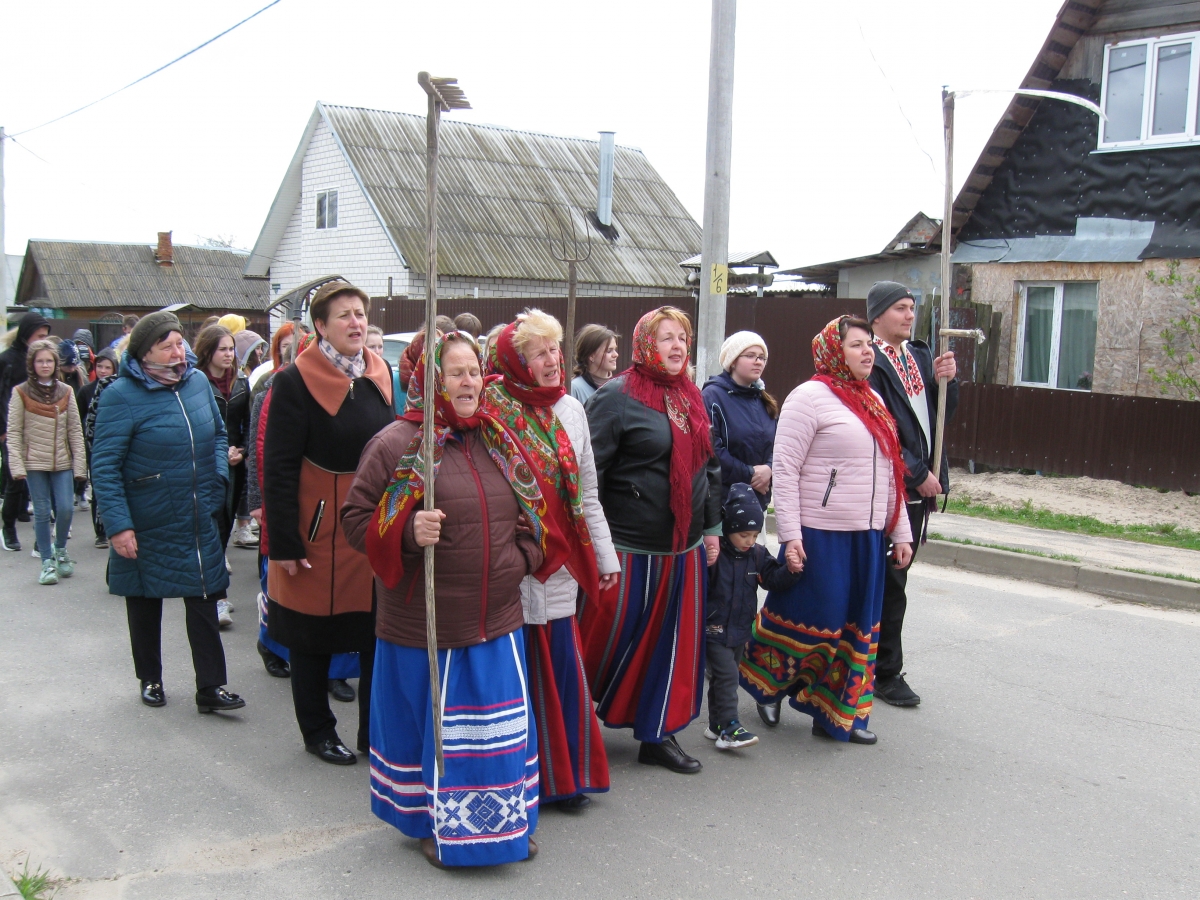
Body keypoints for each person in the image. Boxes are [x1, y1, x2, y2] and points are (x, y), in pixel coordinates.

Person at [343, 331, 545, 868]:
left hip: (497, 618)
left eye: (473, 371)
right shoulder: (396, 445)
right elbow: (356, 521)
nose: (468, 381)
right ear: (432, 381)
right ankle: (434, 824)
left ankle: (504, 822)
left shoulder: (499, 440)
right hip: (427, 625)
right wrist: (409, 533)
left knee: (495, 734)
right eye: (455, 372)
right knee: (442, 738)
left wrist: (521, 559)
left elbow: (538, 512)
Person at [738, 316, 914, 745]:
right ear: (835, 351)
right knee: (811, 618)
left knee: (856, 626)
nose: (867, 352)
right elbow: (787, 468)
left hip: (868, 536)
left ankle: (835, 713)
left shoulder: (872, 399)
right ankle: (769, 686)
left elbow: (892, 471)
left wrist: (901, 531)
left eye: (869, 344)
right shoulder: (809, 398)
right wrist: (791, 535)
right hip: (821, 533)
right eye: (856, 345)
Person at [481, 312, 620, 812]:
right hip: (510, 566)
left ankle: (566, 777)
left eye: (555, 349)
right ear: (515, 361)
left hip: (561, 567)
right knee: (515, 672)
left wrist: (603, 555)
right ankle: (519, 777)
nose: (552, 360)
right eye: (538, 352)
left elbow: (586, 494)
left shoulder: (570, 410)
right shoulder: (487, 409)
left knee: (559, 662)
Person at [580, 306, 722, 774]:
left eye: (682, 337)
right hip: (627, 548)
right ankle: (571, 727)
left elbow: (708, 466)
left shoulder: (692, 396)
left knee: (670, 648)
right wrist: (593, 545)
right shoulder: (616, 397)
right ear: (645, 344)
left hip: (683, 548)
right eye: (665, 338)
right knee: (599, 641)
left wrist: (712, 527)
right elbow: (587, 476)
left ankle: (658, 733)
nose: (677, 346)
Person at [263, 281, 393, 765]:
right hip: (316, 531)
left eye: (360, 313)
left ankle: (373, 733)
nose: (356, 322)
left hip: (371, 529)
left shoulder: (382, 373)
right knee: (310, 638)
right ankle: (317, 730)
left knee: (376, 636)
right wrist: (285, 542)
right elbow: (277, 467)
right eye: (344, 315)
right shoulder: (293, 382)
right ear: (320, 326)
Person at [91, 311, 245, 712]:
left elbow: (218, 434)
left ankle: (211, 688)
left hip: (197, 512)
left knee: (205, 597)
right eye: (168, 345)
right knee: (144, 599)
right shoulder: (119, 395)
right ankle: (151, 678)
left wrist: (216, 480)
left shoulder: (195, 383)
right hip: (146, 516)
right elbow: (104, 467)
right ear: (145, 353)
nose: (180, 352)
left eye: (180, 342)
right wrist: (119, 526)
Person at [866, 281, 958, 708]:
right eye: (900, 308)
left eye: (912, 308)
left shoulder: (919, 355)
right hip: (891, 486)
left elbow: (940, 416)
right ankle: (884, 671)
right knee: (889, 581)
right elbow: (878, 427)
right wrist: (916, 472)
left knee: (896, 578)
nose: (909, 315)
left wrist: (947, 383)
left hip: (920, 487)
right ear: (878, 315)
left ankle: (878, 665)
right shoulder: (871, 360)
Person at [701, 482, 799, 750]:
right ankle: (730, 727)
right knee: (729, 677)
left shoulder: (755, 554)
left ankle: (715, 725)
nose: (750, 541)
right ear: (729, 528)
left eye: (755, 535)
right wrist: (704, 560)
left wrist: (790, 569)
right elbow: (695, 586)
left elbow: (772, 579)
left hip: (740, 629)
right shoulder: (713, 552)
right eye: (744, 534)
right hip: (713, 629)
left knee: (724, 677)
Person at [7, 339, 87, 584]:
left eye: (49, 360)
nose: (45, 365)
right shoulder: (21, 392)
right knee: (42, 512)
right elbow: (14, 431)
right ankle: (46, 562)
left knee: (64, 508)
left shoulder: (66, 391)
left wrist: (80, 465)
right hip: (34, 463)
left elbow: (75, 429)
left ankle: (60, 550)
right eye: (40, 360)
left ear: (56, 363)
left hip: (61, 462)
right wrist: (17, 465)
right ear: (32, 363)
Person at [193, 325, 250, 627]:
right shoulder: (195, 382)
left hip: (235, 463)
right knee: (211, 530)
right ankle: (217, 598)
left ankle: (211, 590)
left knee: (224, 527)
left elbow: (249, 424)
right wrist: (217, 451)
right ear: (208, 352)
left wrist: (243, 450)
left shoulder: (242, 382)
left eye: (232, 349)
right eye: (223, 349)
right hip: (206, 463)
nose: (229, 355)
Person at [702, 331, 778, 510]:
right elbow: (712, 449)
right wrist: (750, 475)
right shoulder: (712, 397)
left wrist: (769, 469)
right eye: (750, 356)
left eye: (762, 357)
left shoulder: (763, 400)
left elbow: (780, 443)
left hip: (757, 501)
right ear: (733, 361)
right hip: (724, 503)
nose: (758, 361)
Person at [0, 312, 52, 551]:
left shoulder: (41, 362)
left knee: (42, 482)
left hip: (39, 429)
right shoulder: (7, 360)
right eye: (39, 336)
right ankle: (8, 528)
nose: (42, 341)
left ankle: (40, 539)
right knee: (15, 481)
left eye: (46, 337)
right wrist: (3, 429)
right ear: (26, 334)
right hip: (11, 428)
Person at [80, 348, 119, 548]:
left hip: (115, 445)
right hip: (94, 446)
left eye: (108, 367)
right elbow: (83, 421)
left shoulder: (120, 388)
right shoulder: (87, 391)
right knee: (99, 488)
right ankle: (100, 532)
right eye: (100, 366)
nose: (103, 371)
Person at [570, 324, 620, 405]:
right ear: (591, 356)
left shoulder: (619, 387)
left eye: (615, 349)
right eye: (609, 351)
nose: (616, 355)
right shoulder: (575, 388)